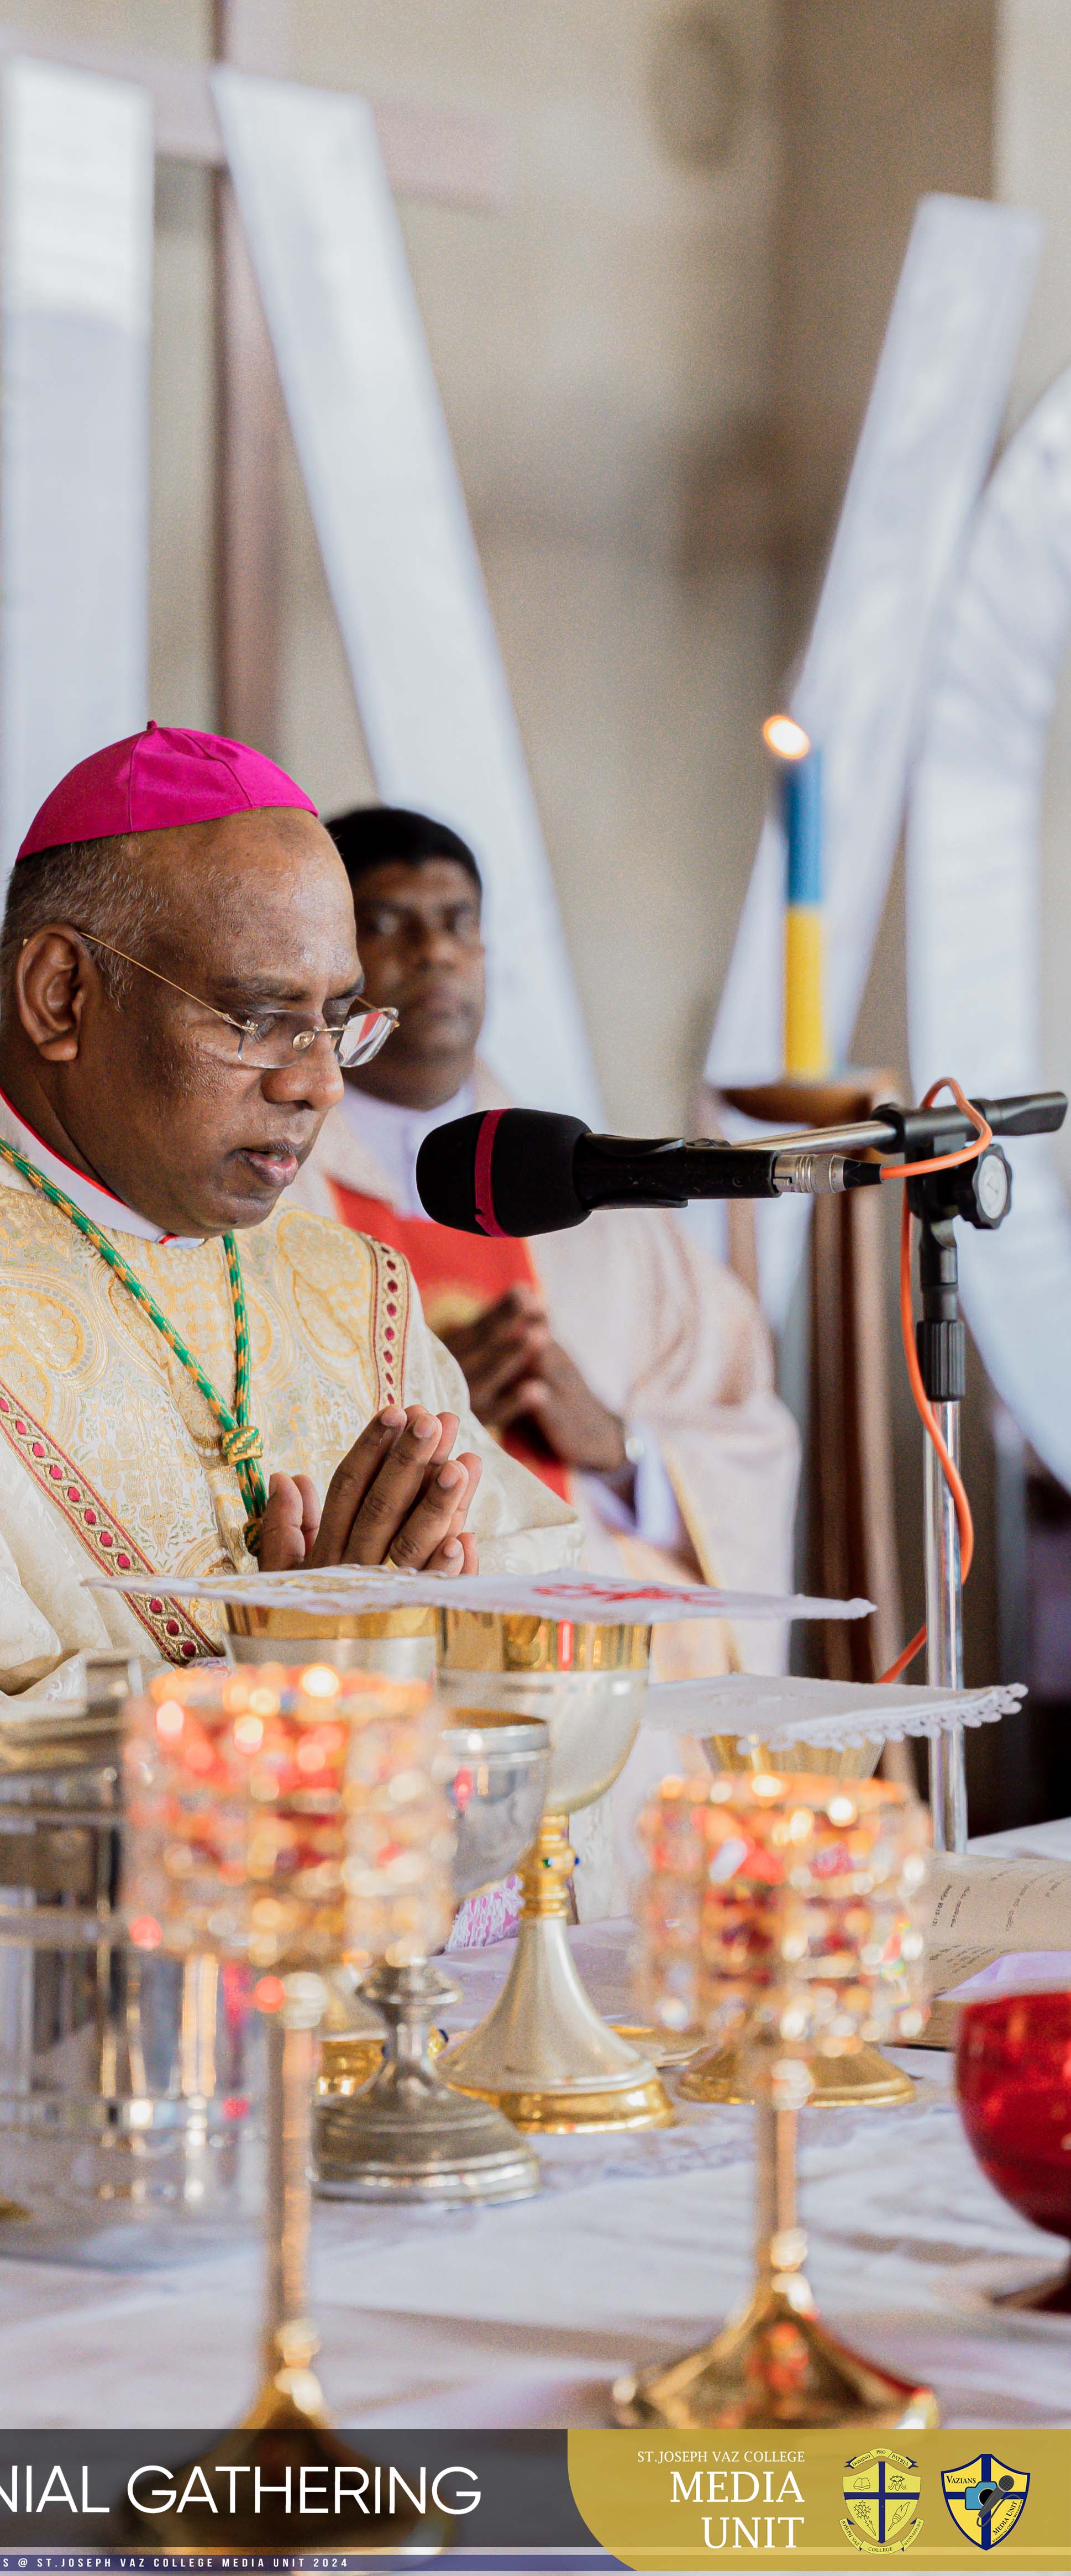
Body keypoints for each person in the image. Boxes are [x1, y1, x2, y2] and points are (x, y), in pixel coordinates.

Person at [0, 727, 579, 1711]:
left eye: (340, 1016)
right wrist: (282, 1686)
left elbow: (538, 1603)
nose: (320, 1082)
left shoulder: (348, 1291)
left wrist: (414, 1637)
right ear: (61, 995)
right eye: (258, 1019)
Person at [287, 805, 800, 1918]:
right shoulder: (279, 1204)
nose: (431, 953)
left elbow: (747, 1430)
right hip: (416, 1664)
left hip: (617, 1658)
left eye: (455, 922)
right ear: (330, 964)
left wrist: (615, 1443)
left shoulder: (588, 1189)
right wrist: (432, 1399)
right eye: (387, 923)